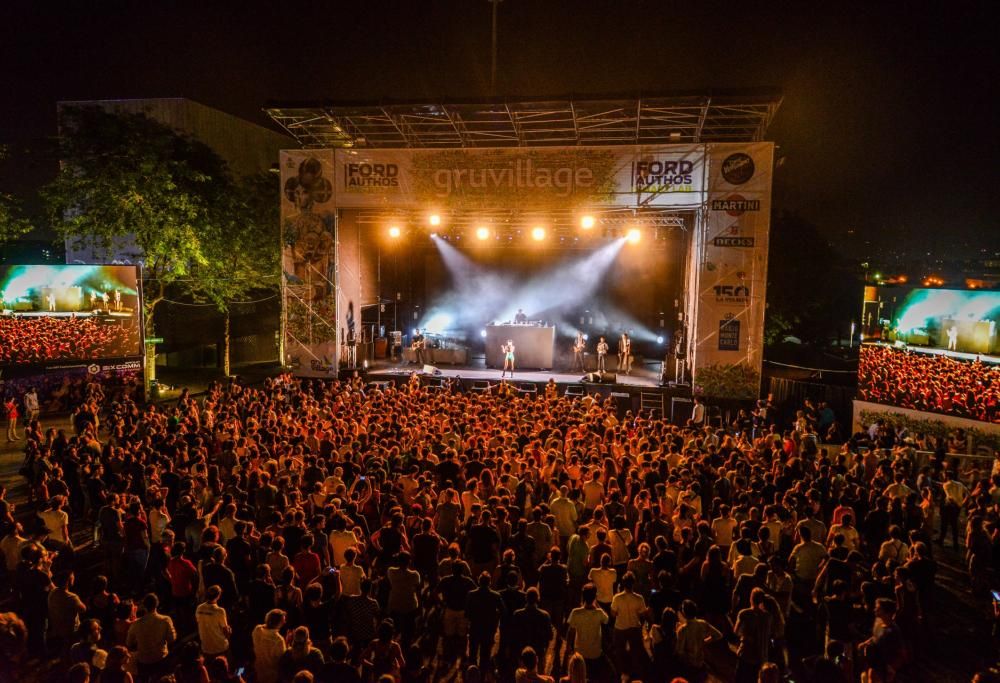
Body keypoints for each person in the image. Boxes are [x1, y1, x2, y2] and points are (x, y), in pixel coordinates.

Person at [125, 593, 176, 682]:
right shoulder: (165, 620)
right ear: (157, 604)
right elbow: (172, 638)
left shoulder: (136, 624)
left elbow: (128, 642)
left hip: (144, 661)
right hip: (161, 658)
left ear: (144, 606)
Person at [195, 585, 231, 658]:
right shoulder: (220, 611)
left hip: (206, 648)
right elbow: (225, 631)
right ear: (218, 596)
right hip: (220, 647)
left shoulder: (199, 608)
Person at [251, 609, 286, 683]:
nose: (284, 622)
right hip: (272, 675)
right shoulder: (278, 640)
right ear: (278, 623)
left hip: (259, 670)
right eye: (282, 621)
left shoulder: (257, 630)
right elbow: (282, 659)